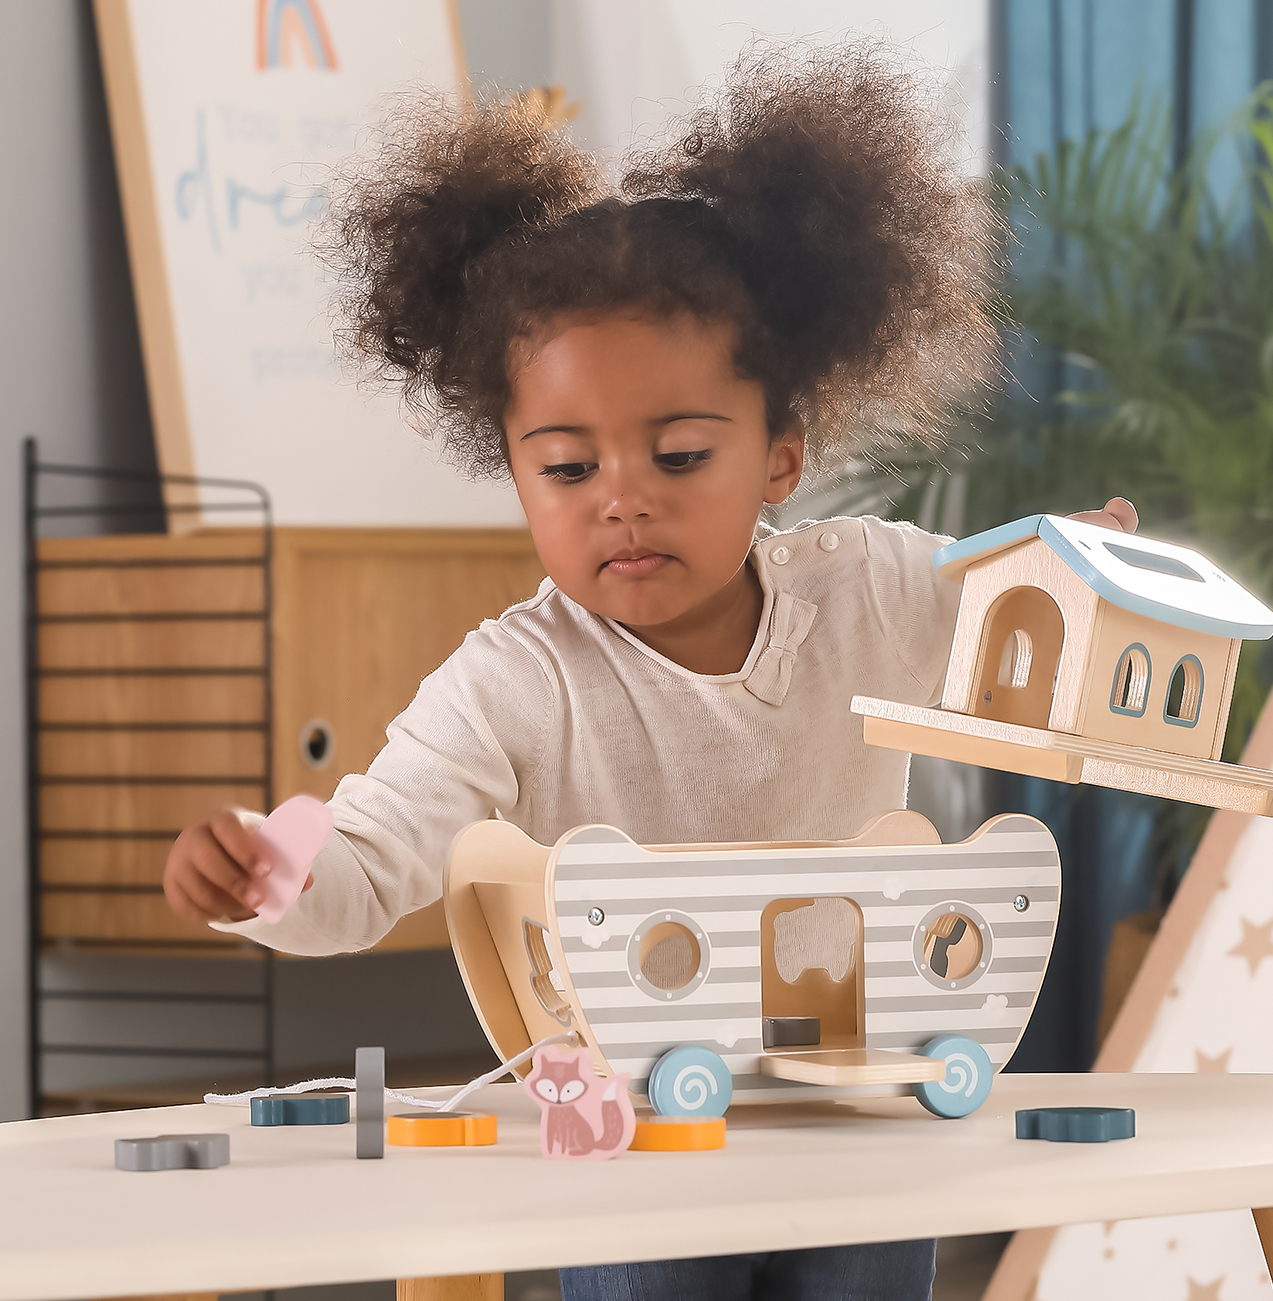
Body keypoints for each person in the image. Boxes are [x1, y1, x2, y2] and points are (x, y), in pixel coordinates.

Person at [162, 41, 1134, 1300]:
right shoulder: (513, 677)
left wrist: (1091, 570)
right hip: (631, 1128)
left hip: (850, 1103)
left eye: (678, 455)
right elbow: (371, 861)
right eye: (566, 468)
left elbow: (1016, 603)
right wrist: (265, 869)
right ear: (512, 467)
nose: (620, 500)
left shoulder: (870, 585)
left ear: (781, 455)